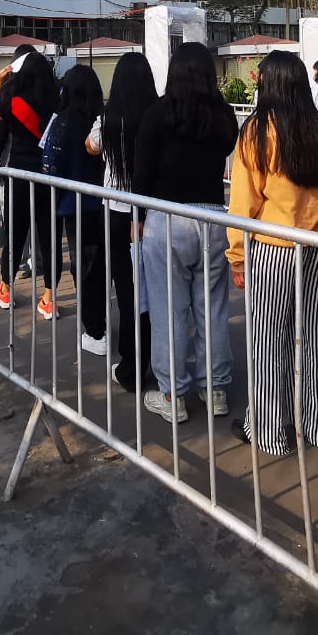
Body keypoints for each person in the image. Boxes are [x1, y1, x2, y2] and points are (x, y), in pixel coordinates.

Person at [228, 50, 318, 457]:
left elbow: (244, 201)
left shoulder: (256, 131)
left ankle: (269, 429)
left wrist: (236, 254)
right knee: (315, 335)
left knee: (268, 339)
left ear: (265, 83)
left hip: (272, 247)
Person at [133, 42, 240, 424]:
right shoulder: (224, 114)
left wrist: (139, 215)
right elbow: (228, 145)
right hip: (213, 218)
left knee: (169, 310)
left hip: (166, 217)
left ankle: (172, 394)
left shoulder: (158, 113)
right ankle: (215, 390)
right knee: (212, 309)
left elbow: (142, 173)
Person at [86, 52, 158, 392]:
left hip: (115, 213)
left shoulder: (108, 117)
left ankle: (131, 363)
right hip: (152, 213)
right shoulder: (156, 115)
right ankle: (158, 361)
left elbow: (90, 146)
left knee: (127, 291)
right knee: (155, 290)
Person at [0, 47, 58, 318]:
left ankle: (4, 288)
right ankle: (49, 299)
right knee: (49, 237)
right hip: (50, 177)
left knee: (15, 234)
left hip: (20, 176)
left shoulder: (15, 102)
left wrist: (0, 82)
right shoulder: (56, 100)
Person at [42, 64, 110, 356]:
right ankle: (100, 322)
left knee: (83, 266)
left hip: (72, 204)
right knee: (100, 265)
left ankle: (95, 331)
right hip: (105, 202)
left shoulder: (62, 122)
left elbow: (48, 158)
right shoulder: (103, 121)